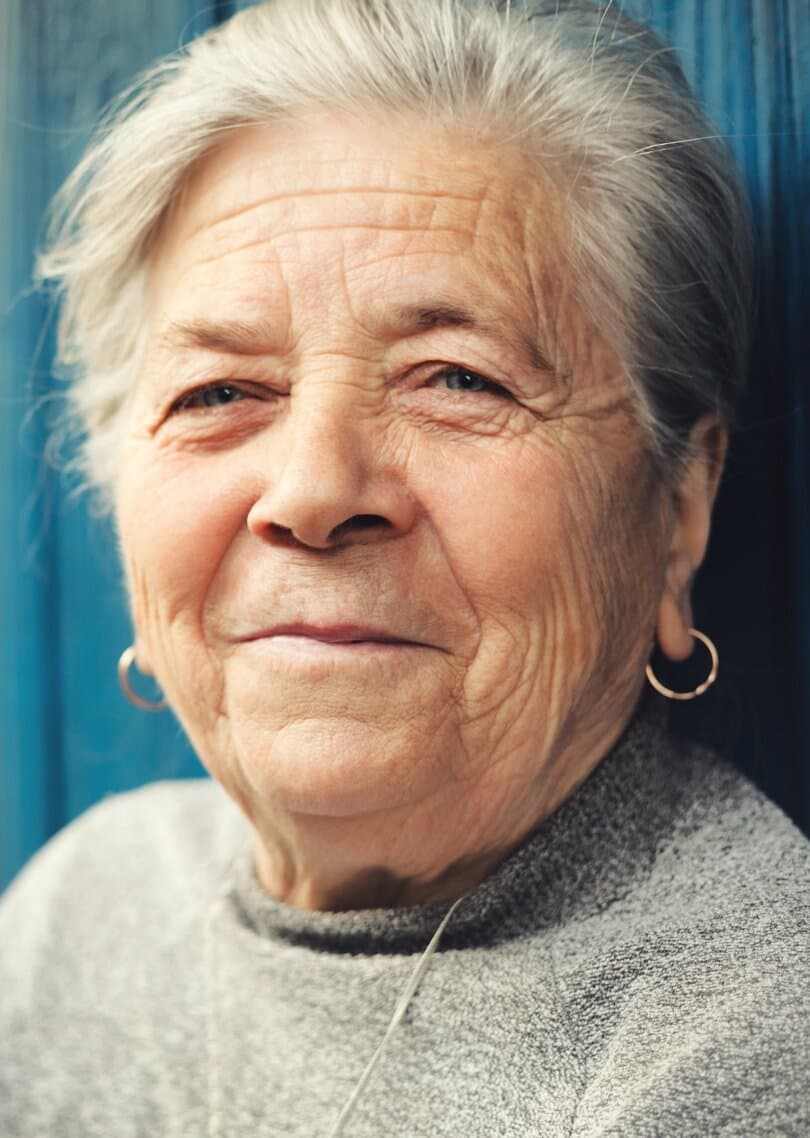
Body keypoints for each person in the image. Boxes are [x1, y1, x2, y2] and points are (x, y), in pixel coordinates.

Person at [1, 1, 808, 1134]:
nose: (315, 492)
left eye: (457, 378)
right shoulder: (84, 912)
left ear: (677, 512)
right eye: (220, 393)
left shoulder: (741, 1042)